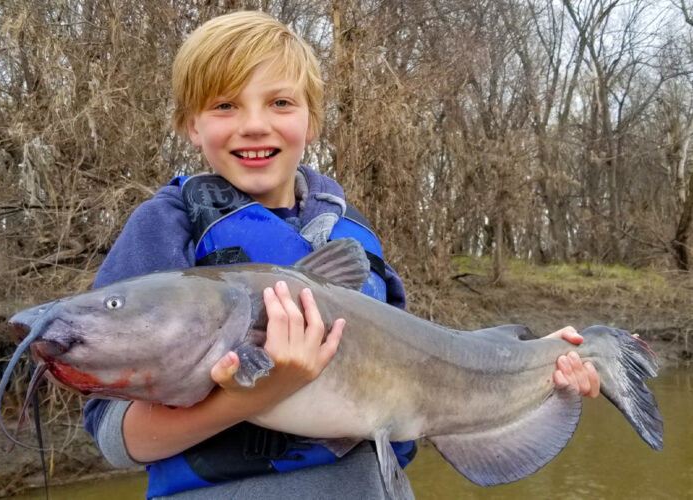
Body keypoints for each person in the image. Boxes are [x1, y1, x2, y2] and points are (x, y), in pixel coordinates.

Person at [83, 11, 600, 499]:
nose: (255, 124)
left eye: (281, 103)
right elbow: (114, 436)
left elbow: (434, 362)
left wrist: (536, 361)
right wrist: (249, 399)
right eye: (225, 105)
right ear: (191, 125)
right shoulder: (164, 226)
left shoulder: (352, 235)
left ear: (312, 120)